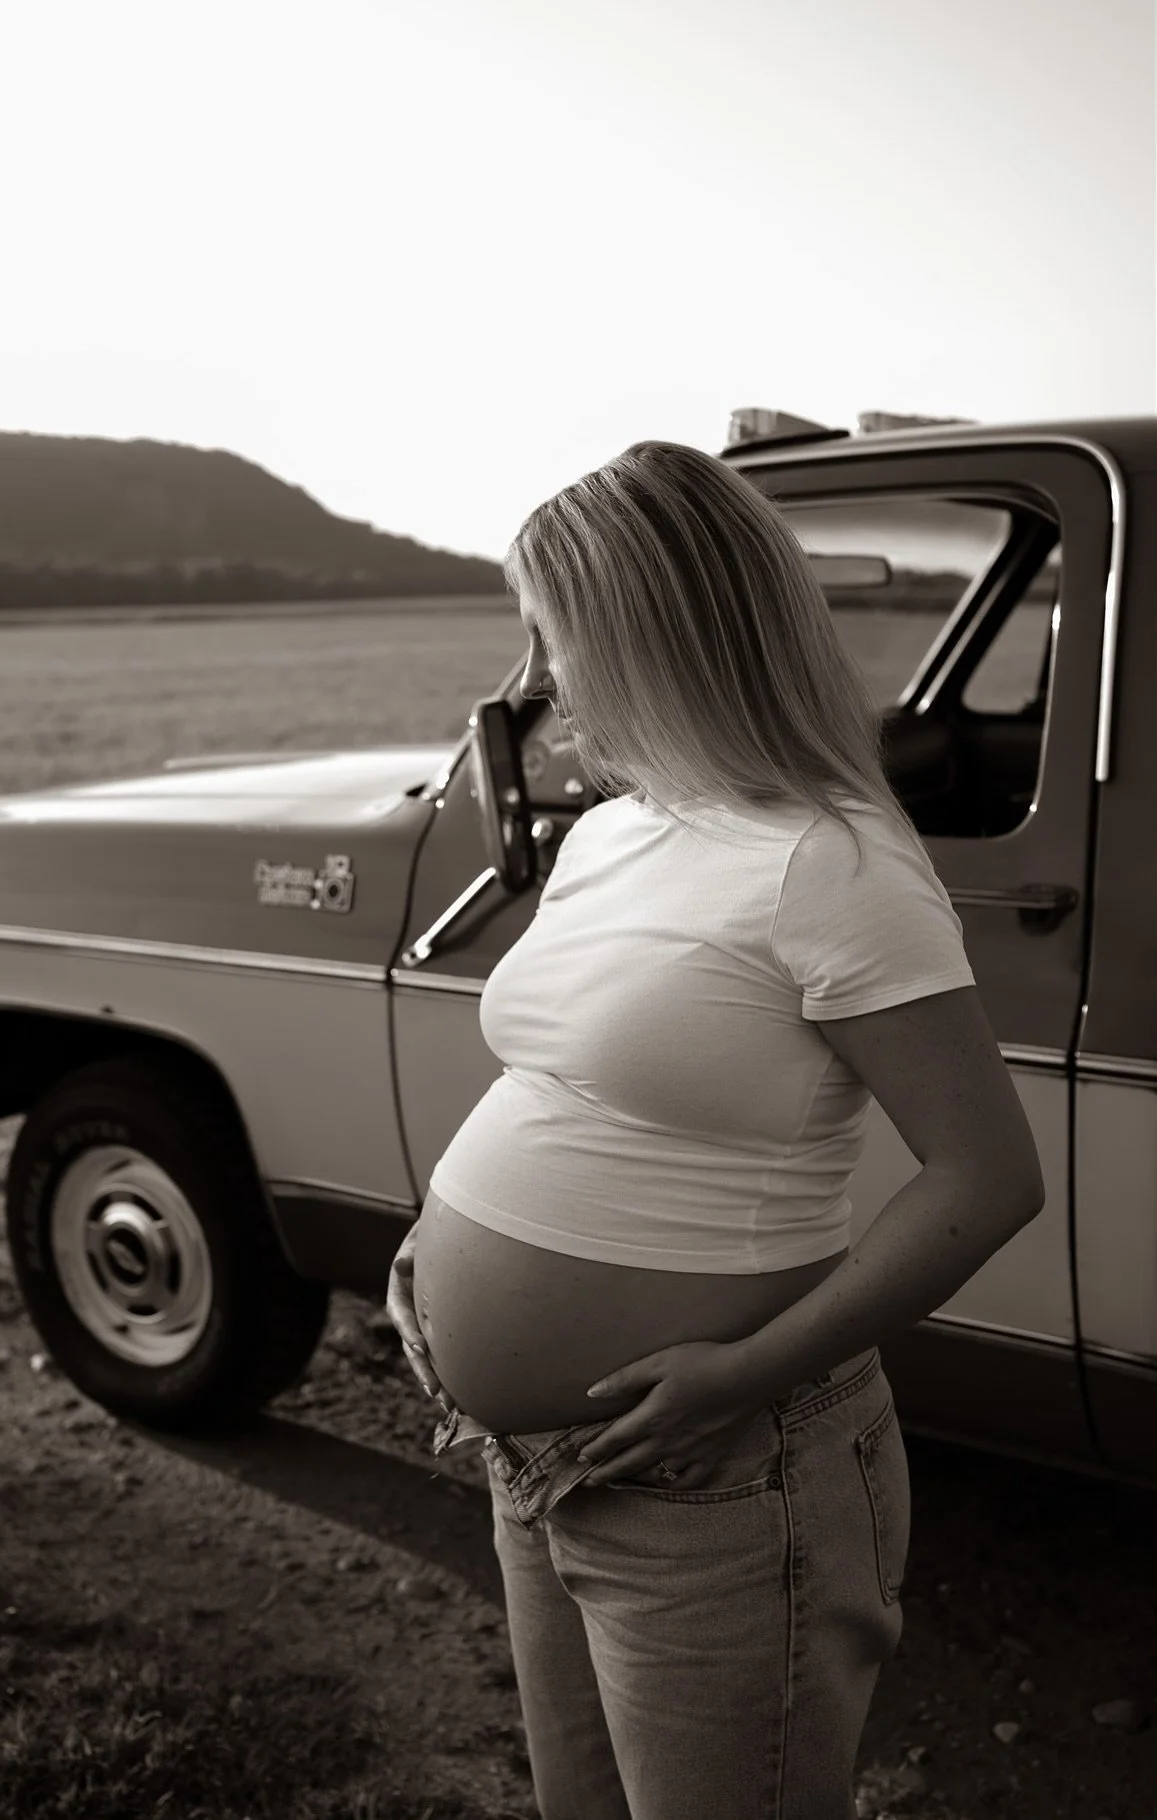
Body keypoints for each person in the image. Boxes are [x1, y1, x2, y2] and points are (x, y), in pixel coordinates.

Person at [386, 439, 1046, 1820]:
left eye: (552, 637)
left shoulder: (832, 862)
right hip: (539, 1461)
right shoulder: (617, 832)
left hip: (721, 1475)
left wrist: (743, 1373)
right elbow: (569, 1079)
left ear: (654, 636)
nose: (533, 681)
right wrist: (431, 1251)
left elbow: (986, 1179)